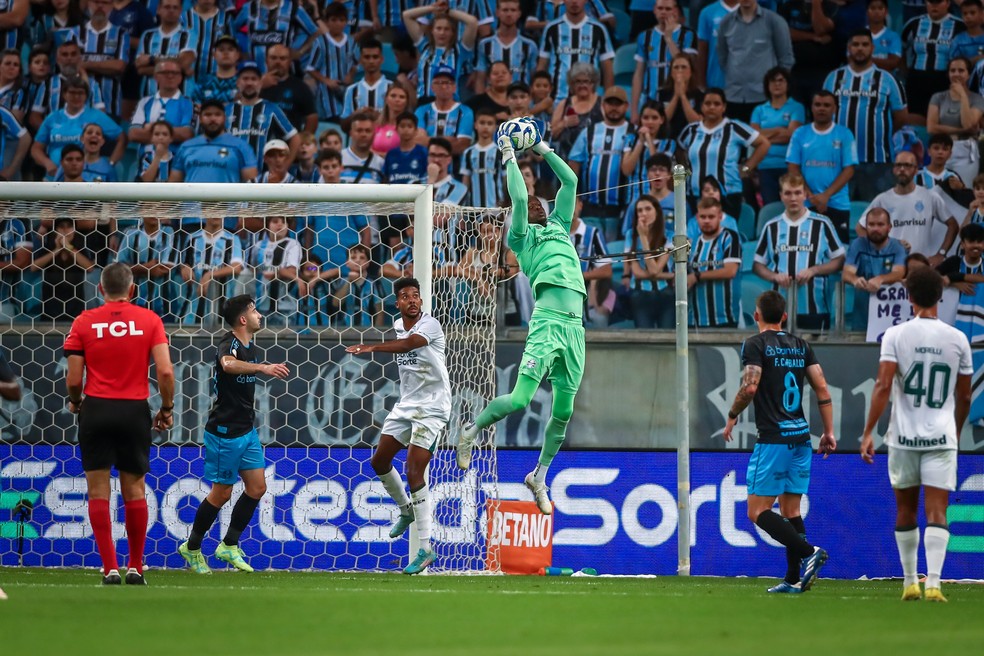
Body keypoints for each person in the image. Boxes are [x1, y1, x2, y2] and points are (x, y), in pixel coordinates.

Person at [457, 118, 585, 516]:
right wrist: (509, 153)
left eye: (537, 200)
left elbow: (570, 183)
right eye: (528, 203)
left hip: (576, 327)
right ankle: (471, 431)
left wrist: (541, 146)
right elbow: (516, 197)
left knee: (563, 412)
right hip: (547, 320)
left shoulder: (560, 225)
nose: (534, 202)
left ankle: (539, 477)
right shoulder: (522, 238)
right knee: (520, 398)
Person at [860, 266, 972, 603]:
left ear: (908, 297)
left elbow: (882, 385)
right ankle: (935, 583)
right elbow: (965, 396)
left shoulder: (896, 335)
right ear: (941, 296)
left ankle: (910, 581)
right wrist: (954, 429)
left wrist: (868, 432)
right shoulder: (958, 338)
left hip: (903, 438)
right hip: (941, 437)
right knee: (937, 511)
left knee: (905, 511)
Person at [63, 262, 175, 585]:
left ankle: (109, 567)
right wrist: (166, 408)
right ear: (133, 289)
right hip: (133, 411)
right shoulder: (150, 320)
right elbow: (166, 372)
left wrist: (76, 401)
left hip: (96, 409)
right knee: (134, 490)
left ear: (100, 290)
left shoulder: (84, 322)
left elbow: (74, 378)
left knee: (98, 490)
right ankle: (136, 567)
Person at [723, 289, 836, 594]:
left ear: (756, 316)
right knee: (791, 511)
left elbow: (750, 388)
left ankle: (809, 552)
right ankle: (793, 578)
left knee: (757, 511)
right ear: (784, 316)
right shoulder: (801, 345)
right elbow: (822, 389)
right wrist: (828, 432)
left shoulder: (755, 344)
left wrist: (732, 414)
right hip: (801, 437)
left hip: (774, 439)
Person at [179, 295, 290, 575]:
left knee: (257, 488)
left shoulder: (249, 346)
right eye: (254, 311)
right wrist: (263, 368)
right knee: (221, 494)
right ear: (243, 319)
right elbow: (227, 365)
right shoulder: (228, 344)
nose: (259, 315)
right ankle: (191, 548)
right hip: (225, 432)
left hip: (246, 430)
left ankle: (229, 544)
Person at [347, 277, 451, 575]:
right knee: (378, 460)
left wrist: (372, 348)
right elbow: (403, 343)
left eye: (416, 295)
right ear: (398, 303)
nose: (412, 300)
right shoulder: (396, 324)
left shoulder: (430, 325)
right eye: (406, 296)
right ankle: (405, 510)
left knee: (413, 469)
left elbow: (409, 344)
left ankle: (426, 548)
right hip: (407, 404)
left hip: (432, 407)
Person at [824, 29, 908, 201]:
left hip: (878, 161)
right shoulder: (833, 78)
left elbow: (901, 117)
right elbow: (822, 115)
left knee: (879, 215)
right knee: (840, 215)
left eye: (864, 45)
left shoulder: (888, 79)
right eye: (855, 45)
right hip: (840, 160)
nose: (860, 49)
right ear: (849, 48)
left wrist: (880, 133)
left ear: (872, 48)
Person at [754, 174, 845, 331]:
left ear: (805, 195)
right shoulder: (771, 226)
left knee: (813, 354)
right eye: (788, 193)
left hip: (816, 306)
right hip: (778, 309)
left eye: (797, 193)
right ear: (781, 196)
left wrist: (813, 270)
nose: (793, 198)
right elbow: (757, 265)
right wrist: (774, 276)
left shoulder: (822, 224)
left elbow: (839, 260)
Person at [677, 88, 770, 219]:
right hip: (695, 194)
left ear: (724, 107)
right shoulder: (691, 130)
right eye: (708, 103)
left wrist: (746, 168)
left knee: (725, 235)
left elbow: (763, 144)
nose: (712, 107)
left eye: (716, 104)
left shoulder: (734, 128)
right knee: (695, 235)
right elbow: (679, 149)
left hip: (728, 193)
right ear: (702, 106)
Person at [858, 150, 960, 266]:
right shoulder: (882, 199)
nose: (902, 169)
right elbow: (860, 228)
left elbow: (953, 225)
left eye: (907, 165)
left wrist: (941, 254)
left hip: (921, 266)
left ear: (916, 170)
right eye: (898, 165)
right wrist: (881, 248)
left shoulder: (930, 196)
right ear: (893, 169)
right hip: (891, 265)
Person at [786, 90, 859, 244]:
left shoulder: (845, 134)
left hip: (837, 203)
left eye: (826, 105)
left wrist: (826, 195)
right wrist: (811, 196)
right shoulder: (800, 133)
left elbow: (849, 170)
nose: (821, 108)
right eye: (817, 104)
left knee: (839, 251)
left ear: (834, 109)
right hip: (805, 203)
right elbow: (793, 168)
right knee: (807, 251)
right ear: (811, 107)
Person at [716, 0, 794, 123]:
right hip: (733, 97)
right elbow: (723, 57)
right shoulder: (726, 22)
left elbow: (786, 59)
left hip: (764, 98)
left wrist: (776, 90)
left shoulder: (774, 21)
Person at [842, 207, 907, 332]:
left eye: (880, 224)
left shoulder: (898, 247)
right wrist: (855, 280)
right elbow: (846, 273)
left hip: (890, 315)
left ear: (889, 227)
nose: (875, 229)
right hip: (862, 315)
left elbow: (899, 272)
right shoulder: (858, 244)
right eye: (871, 224)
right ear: (866, 227)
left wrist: (881, 279)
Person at [750, 67, 804, 206]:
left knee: (791, 206)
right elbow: (753, 137)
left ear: (788, 84)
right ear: (767, 86)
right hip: (765, 166)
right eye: (773, 81)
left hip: (788, 165)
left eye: (781, 80)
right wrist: (780, 129)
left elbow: (791, 135)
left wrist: (765, 136)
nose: (777, 84)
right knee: (770, 207)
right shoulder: (759, 110)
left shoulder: (797, 107)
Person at [926, 56, 984, 186]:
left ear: (969, 74)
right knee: (937, 193)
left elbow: (968, 123)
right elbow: (931, 127)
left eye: (961, 70)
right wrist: (962, 130)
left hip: (965, 152)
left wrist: (963, 96)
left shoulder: (977, 99)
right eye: (953, 71)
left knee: (963, 191)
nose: (956, 74)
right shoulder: (938, 97)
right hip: (941, 149)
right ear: (948, 74)